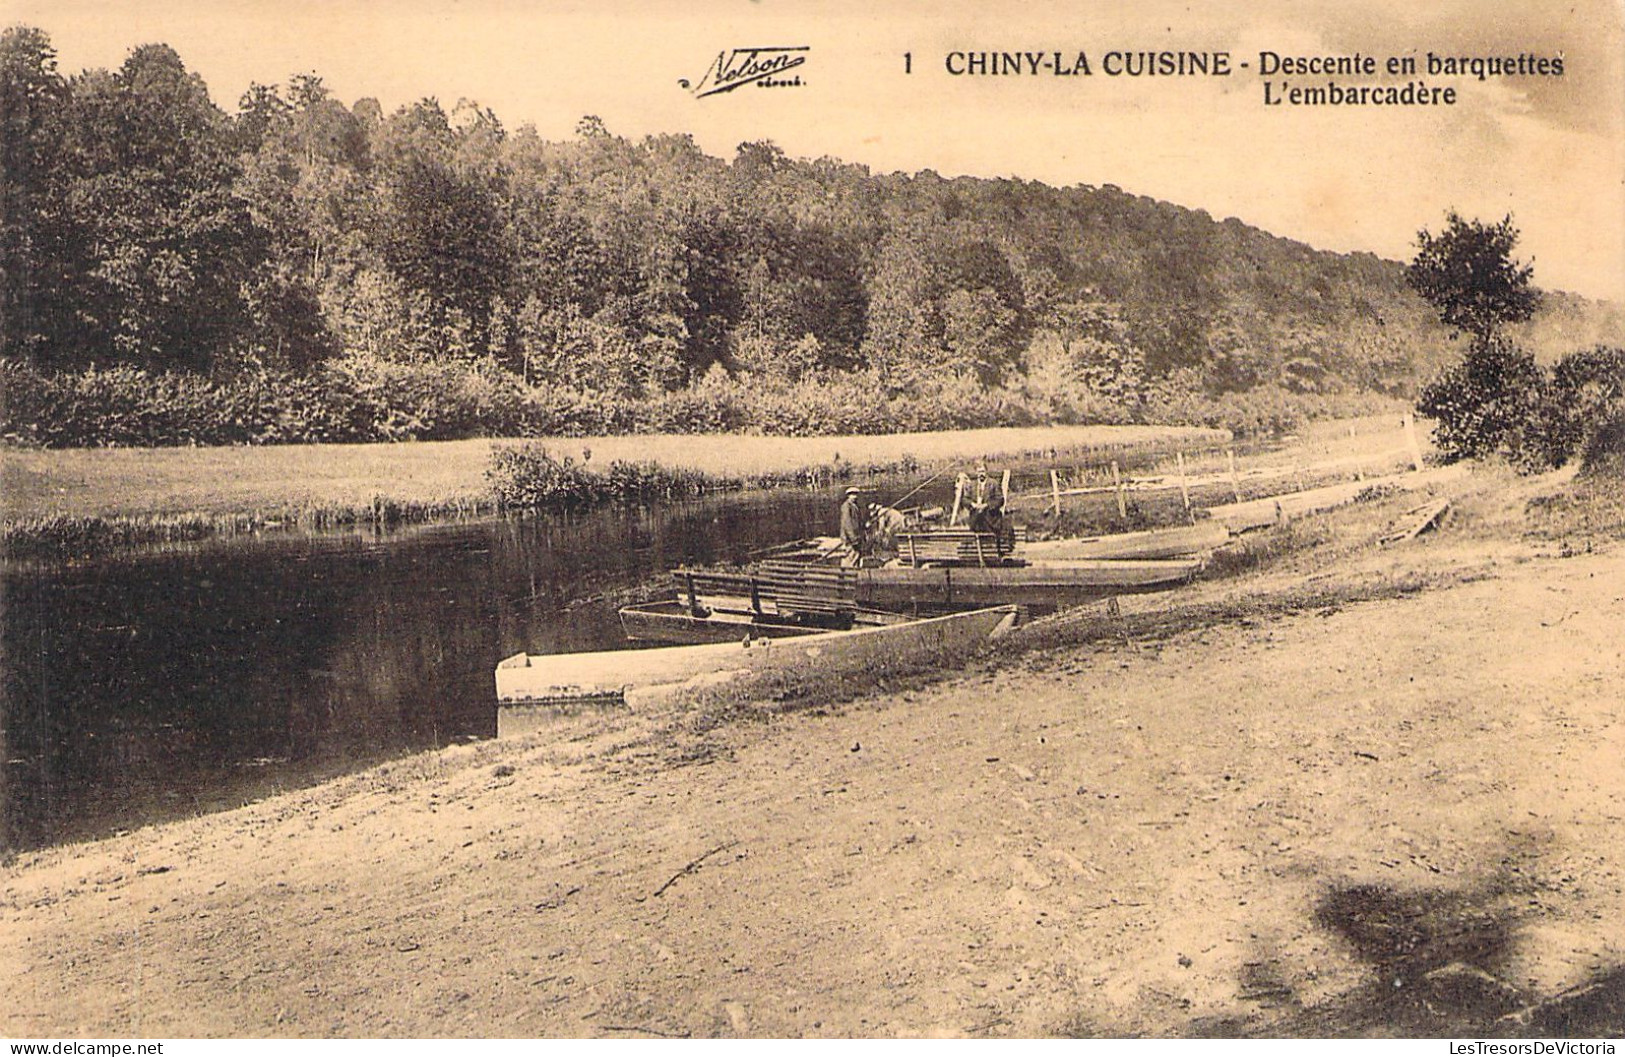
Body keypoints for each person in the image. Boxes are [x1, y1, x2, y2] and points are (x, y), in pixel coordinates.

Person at [839, 486, 870, 566]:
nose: (855, 496)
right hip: (850, 538)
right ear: (848, 495)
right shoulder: (846, 506)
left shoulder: (855, 506)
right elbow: (847, 524)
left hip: (857, 536)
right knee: (851, 556)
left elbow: (858, 521)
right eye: (852, 494)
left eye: (856, 494)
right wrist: (853, 539)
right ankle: (849, 573)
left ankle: (856, 571)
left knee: (857, 556)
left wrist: (864, 525)